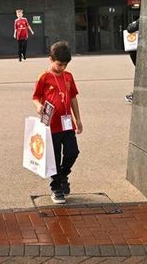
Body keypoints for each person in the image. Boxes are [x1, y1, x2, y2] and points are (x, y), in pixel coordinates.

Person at [32, 41, 83, 204]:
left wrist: (78, 119)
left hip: (67, 124)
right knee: (53, 156)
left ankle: (62, 176)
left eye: (65, 65)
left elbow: (73, 97)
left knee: (72, 152)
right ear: (50, 59)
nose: (62, 68)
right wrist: (39, 106)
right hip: (51, 125)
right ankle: (56, 187)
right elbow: (35, 97)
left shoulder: (68, 77)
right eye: (59, 64)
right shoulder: (44, 77)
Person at [124, 19, 139, 104]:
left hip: (143, 52)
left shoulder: (144, 19)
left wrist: (133, 23)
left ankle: (137, 95)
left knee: (142, 75)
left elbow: (130, 28)